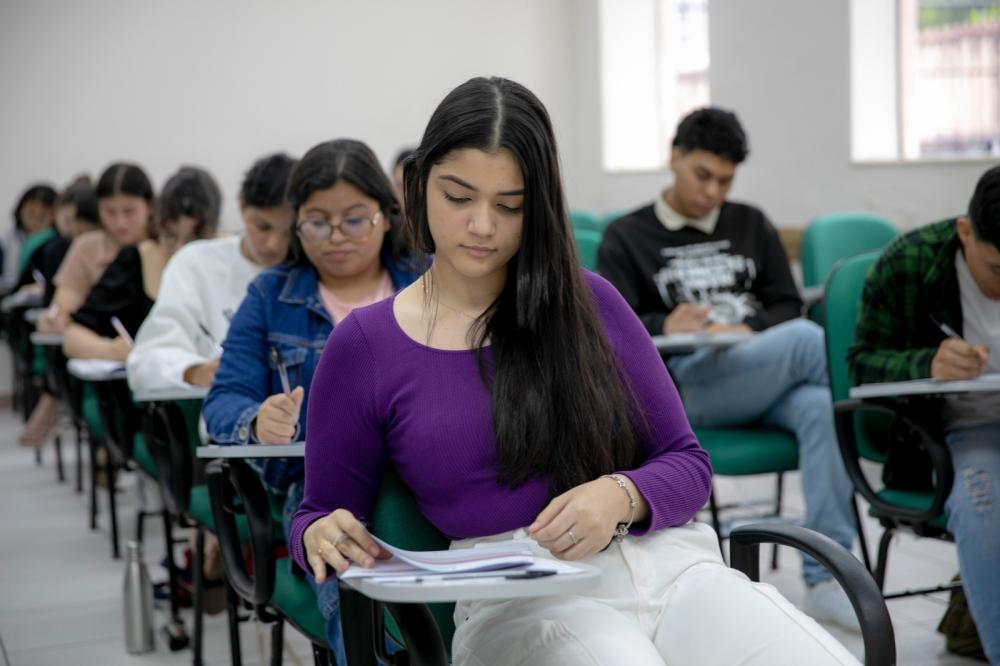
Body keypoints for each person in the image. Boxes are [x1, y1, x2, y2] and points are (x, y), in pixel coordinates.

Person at [290, 77, 858, 665]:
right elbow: (317, 516)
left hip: (672, 567)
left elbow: (688, 464)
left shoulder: (591, 304)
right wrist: (317, 534)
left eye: (509, 205)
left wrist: (623, 494)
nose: (482, 226)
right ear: (416, 188)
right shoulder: (366, 345)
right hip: (523, 603)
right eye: (458, 197)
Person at [597, 107, 859, 630]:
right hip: (685, 387)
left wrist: (750, 327)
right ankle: (893, 445)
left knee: (817, 407)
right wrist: (663, 317)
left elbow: (787, 303)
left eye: (725, 180)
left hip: (762, 372)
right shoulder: (627, 237)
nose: (713, 191)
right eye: (703, 175)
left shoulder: (751, 224)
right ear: (674, 157)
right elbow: (611, 332)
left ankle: (825, 576)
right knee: (811, 344)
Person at [202, 138, 420, 663]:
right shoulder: (270, 296)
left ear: (387, 216)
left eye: (354, 219)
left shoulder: (427, 284)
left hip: (425, 476)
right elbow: (223, 400)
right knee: (360, 600)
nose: (336, 237)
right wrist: (258, 421)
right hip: (321, 491)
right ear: (297, 224)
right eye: (317, 222)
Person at [848, 164, 1000, 664]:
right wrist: (926, 362)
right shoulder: (909, 262)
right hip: (960, 428)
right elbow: (861, 364)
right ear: (965, 231)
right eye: (997, 270)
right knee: (984, 504)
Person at [127, 153, 297, 393]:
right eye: (262, 226)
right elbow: (146, 361)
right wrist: (197, 371)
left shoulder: (313, 269)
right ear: (241, 205)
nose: (274, 244)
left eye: (289, 231)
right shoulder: (195, 264)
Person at [18, 164, 154, 446]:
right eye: (110, 211)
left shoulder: (160, 248)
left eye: (130, 211)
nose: (120, 223)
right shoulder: (86, 247)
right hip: (108, 364)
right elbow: (62, 309)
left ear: (149, 206)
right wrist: (56, 320)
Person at [63, 166, 221, 361]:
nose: (181, 250)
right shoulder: (137, 260)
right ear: (157, 225)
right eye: (170, 237)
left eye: (193, 240)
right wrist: (111, 350)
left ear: (215, 233)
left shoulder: (231, 262)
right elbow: (73, 337)